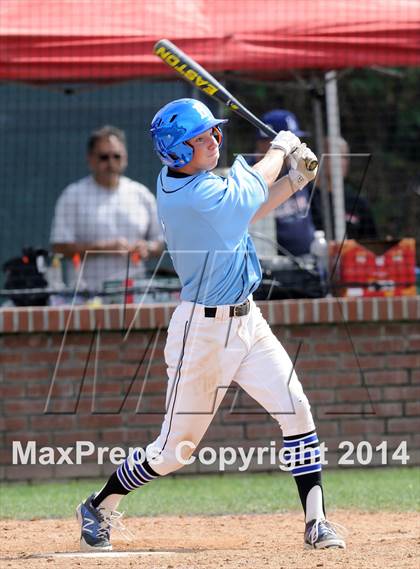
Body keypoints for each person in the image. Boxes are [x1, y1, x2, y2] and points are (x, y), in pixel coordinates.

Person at [76, 99, 346, 552]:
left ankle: (316, 522)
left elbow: (245, 212)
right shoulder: (192, 195)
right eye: (200, 138)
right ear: (176, 152)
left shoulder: (200, 184)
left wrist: (296, 180)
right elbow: (242, 195)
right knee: (173, 451)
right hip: (201, 335)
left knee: (296, 409)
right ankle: (99, 505)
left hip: (248, 320)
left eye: (213, 133)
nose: (213, 140)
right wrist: (279, 152)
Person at [50, 125, 164, 295]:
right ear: (90, 159)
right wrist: (103, 247)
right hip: (87, 295)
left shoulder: (141, 194)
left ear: (125, 158)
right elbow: (58, 247)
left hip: (135, 293)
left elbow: (161, 242)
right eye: (104, 157)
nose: (110, 163)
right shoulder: (72, 195)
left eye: (116, 156)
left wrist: (147, 247)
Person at [254, 109, 317, 257]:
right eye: (290, 144)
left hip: (307, 259)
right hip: (270, 264)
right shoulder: (252, 176)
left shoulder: (296, 168)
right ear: (265, 144)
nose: (295, 149)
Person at [311, 136, 378, 240]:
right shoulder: (306, 197)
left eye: (345, 157)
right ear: (319, 158)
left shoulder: (357, 202)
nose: (342, 162)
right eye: (336, 156)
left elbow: (371, 242)